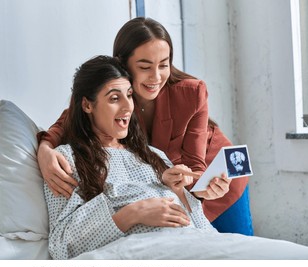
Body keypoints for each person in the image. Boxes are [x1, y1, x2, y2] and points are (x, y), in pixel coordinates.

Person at [37, 17, 253, 235]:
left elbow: (194, 165)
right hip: (172, 189)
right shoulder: (109, 95)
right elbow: (69, 119)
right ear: (122, 65)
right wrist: (45, 151)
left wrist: (199, 188)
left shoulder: (191, 92)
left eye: (164, 65)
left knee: (235, 243)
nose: (156, 77)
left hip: (211, 176)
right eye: (144, 66)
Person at [45, 55, 217, 259]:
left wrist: (179, 191)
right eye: (115, 98)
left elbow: (200, 226)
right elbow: (61, 245)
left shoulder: (153, 156)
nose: (128, 107)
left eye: (129, 95)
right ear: (87, 105)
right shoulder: (66, 159)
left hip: (198, 248)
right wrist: (134, 213)